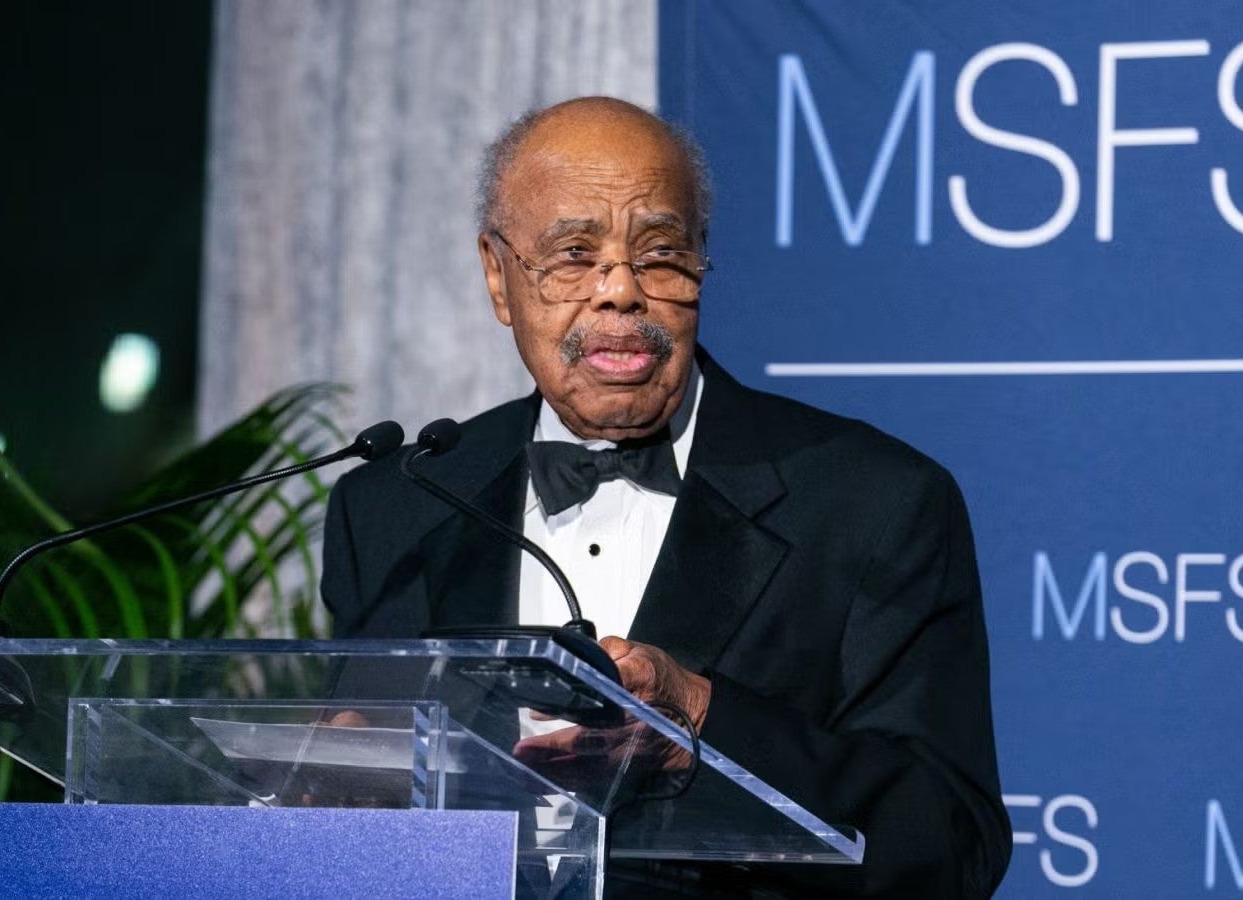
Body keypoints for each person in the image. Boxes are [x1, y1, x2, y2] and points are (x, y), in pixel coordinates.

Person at [321, 96, 1011, 897]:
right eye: (574, 254)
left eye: (658, 254)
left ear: (699, 263)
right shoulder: (398, 506)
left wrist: (700, 726)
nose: (619, 293)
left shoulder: (876, 505)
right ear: (498, 277)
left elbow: (950, 845)